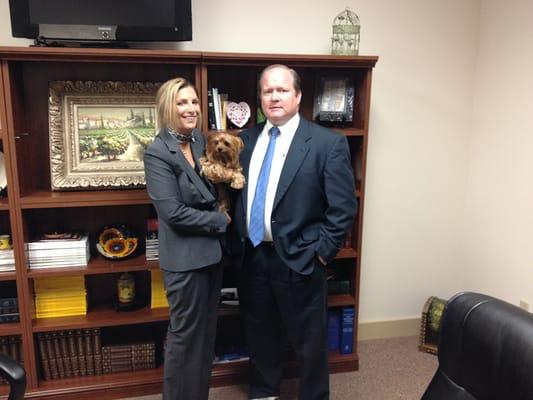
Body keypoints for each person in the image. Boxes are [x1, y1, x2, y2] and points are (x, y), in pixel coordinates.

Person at [230, 65, 357, 400]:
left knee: (309, 343)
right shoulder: (244, 141)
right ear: (260, 98)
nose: (274, 97)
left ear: (298, 96)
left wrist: (319, 253)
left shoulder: (327, 144)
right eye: (267, 91)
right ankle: (264, 393)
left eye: (282, 90)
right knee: (259, 336)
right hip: (253, 257)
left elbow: (343, 208)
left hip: (300, 259)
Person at [143, 77, 231, 400]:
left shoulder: (198, 141)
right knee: (184, 339)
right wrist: (218, 220)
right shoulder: (157, 153)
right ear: (168, 107)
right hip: (184, 263)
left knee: (206, 338)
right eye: (182, 103)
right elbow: (174, 214)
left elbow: (213, 185)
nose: (191, 108)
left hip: (212, 257)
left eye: (194, 102)